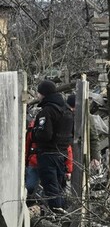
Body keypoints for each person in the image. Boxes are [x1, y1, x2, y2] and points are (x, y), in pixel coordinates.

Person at [32, 80, 73, 211]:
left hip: (48, 154)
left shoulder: (47, 111)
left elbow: (45, 135)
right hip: (62, 154)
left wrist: (34, 133)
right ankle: (63, 212)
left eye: (39, 93)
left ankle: (57, 215)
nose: (37, 96)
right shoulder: (66, 110)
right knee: (60, 186)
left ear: (44, 94)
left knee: (51, 187)